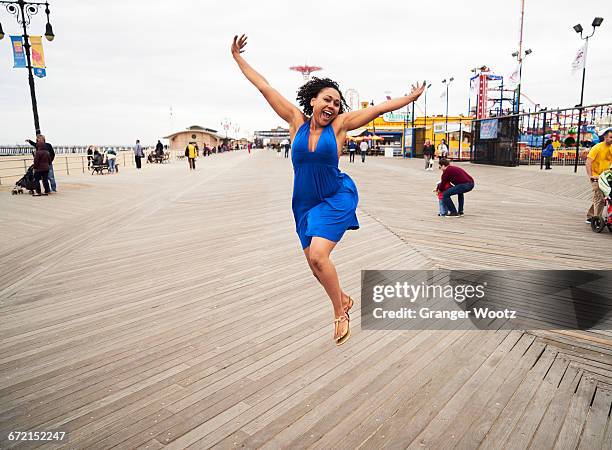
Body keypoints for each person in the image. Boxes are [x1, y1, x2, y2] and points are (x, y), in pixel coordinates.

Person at [231, 34, 425, 345]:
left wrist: (410, 99)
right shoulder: (296, 121)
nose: (332, 105)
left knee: (320, 257)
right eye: (327, 99)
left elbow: (378, 109)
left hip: (333, 196)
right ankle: (343, 298)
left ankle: (339, 312)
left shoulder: (340, 126)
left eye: (336, 102)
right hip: (303, 204)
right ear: (312, 101)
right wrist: (238, 57)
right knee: (314, 265)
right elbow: (264, 87)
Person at [585, 127, 612, 223]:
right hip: (596, 176)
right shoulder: (597, 147)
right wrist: (590, 176)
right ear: (605, 137)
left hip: (607, 176)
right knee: (600, 197)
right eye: (610, 137)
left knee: (604, 197)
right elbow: (588, 162)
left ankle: (590, 216)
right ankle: (597, 220)